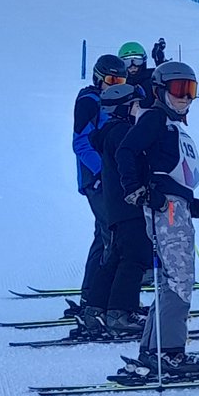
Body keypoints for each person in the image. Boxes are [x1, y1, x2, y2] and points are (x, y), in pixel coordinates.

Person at [115, 61, 199, 380]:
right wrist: (137, 190)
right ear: (160, 90)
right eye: (179, 89)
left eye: (191, 90)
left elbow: (166, 169)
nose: (185, 97)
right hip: (164, 208)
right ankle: (169, 353)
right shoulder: (155, 118)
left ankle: (154, 348)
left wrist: (187, 198)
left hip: (172, 204)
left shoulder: (170, 123)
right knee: (180, 279)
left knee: (173, 279)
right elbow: (125, 151)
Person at [85, 83, 152, 337]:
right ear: (124, 107)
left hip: (117, 206)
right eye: (136, 105)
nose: (139, 110)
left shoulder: (110, 132)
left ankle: (96, 309)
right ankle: (121, 312)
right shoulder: (123, 132)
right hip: (130, 205)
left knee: (115, 256)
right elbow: (133, 164)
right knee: (135, 256)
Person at [73, 53, 127, 309]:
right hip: (97, 179)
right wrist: (101, 172)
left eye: (121, 80)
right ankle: (102, 300)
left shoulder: (114, 101)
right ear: (98, 78)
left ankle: (91, 294)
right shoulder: (89, 101)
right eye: (111, 79)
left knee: (103, 234)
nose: (116, 85)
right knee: (113, 234)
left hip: (111, 179)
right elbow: (81, 143)